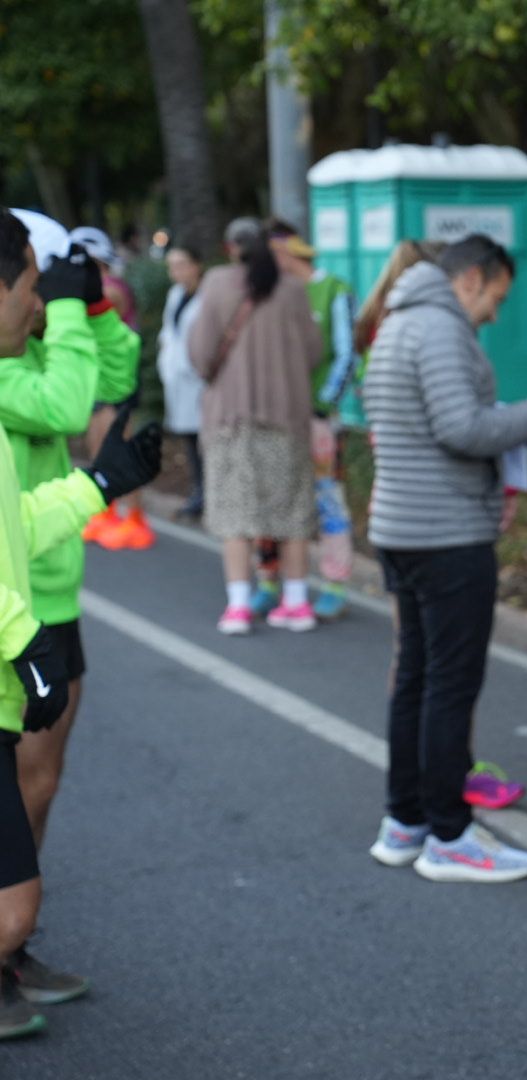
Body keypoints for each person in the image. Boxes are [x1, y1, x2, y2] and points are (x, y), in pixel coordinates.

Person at [0, 208, 163, 1039]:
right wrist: (63, 315)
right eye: (40, 279)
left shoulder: (30, 339)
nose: (43, 299)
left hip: (53, 591)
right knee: (14, 781)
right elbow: (66, 404)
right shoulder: (4, 369)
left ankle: (11, 943)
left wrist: (92, 309)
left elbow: (110, 372)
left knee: (42, 781)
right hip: (13, 612)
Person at [362, 234, 527, 882]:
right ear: (472, 279)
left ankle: (405, 820)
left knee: (414, 678)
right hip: (444, 534)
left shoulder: (396, 322)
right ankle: (449, 836)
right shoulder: (439, 330)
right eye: (496, 298)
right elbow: (462, 428)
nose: (495, 314)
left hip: (401, 526)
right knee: (449, 684)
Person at [187, 223, 323, 635]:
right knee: (293, 512)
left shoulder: (216, 283)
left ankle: (240, 606)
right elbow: (314, 351)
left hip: (234, 418)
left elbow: (200, 353)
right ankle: (297, 602)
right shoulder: (293, 290)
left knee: (236, 513)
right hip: (288, 417)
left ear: (232, 249)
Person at [269, 230, 358, 622]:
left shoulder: (334, 290)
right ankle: (270, 579)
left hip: (317, 418)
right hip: (276, 418)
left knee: (327, 499)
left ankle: (335, 582)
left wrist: (323, 404)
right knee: (274, 497)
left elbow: (347, 352)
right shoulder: (273, 291)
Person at [72, 225, 151, 551]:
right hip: (95, 382)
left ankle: (133, 517)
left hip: (116, 385)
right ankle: (106, 511)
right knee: (97, 448)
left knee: (118, 449)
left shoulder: (110, 290)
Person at [157, 242, 207, 520]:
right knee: (189, 439)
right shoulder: (175, 295)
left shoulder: (208, 297)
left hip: (199, 378)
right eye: (171, 266)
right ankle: (198, 492)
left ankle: (208, 494)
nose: (175, 271)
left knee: (206, 439)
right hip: (178, 376)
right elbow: (169, 334)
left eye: (180, 264)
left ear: (196, 265)